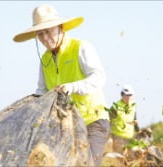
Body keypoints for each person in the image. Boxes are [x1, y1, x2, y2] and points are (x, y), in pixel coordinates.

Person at [13, 4, 109, 166]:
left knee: (87, 163)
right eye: (40, 34)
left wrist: (71, 87)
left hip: (93, 120)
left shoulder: (80, 48)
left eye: (48, 31)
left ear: (60, 27)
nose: (45, 38)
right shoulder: (44, 60)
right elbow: (42, 91)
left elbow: (99, 77)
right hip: (66, 125)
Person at [109, 85, 139, 153]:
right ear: (122, 95)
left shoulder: (133, 105)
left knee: (133, 157)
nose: (129, 97)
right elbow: (109, 121)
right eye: (127, 95)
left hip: (130, 137)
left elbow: (135, 119)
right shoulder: (115, 106)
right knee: (120, 158)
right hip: (118, 138)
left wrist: (138, 130)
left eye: (130, 95)